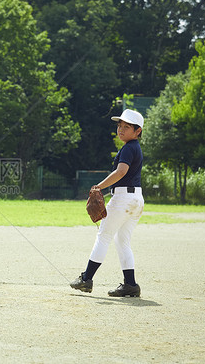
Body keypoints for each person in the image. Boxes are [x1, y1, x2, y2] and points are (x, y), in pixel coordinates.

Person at [70, 109, 145, 297]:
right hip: (136, 199)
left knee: (104, 235)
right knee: (122, 241)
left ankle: (86, 279)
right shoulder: (134, 148)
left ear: (138, 131)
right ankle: (131, 285)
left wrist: (99, 187)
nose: (121, 129)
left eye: (127, 127)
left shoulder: (129, 148)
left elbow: (121, 172)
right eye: (119, 125)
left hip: (123, 199)